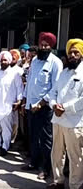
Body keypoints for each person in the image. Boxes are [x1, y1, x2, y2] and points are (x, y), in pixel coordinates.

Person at [22, 32, 63, 180]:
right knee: (32, 137)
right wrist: (25, 101)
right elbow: (30, 82)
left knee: (46, 139)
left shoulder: (56, 62)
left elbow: (55, 87)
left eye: (47, 45)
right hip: (31, 106)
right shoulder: (34, 61)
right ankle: (33, 162)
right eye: (42, 44)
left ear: (51, 47)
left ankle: (45, 169)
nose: (44, 47)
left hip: (44, 107)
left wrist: (41, 103)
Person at [46, 39, 83, 189]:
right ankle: (58, 181)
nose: (72, 55)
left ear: (82, 54)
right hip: (58, 119)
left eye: (76, 52)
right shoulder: (64, 73)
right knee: (56, 153)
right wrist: (54, 105)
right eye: (70, 53)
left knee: (75, 157)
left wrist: (65, 108)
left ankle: (75, 185)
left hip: (74, 122)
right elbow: (53, 92)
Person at [0, 51, 23, 156]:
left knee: (6, 127)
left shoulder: (15, 74)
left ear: (9, 61)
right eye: (1, 60)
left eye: (5, 60)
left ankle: (5, 147)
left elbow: (20, 88)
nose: (3, 61)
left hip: (7, 105)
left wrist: (19, 101)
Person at [9, 49, 24, 144]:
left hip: (15, 100)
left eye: (14, 58)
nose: (12, 59)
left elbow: (20, 87)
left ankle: (12, 140)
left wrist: (19, 100)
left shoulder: (19, 70)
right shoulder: (4, 69)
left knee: (14, 122)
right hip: (5, 99)